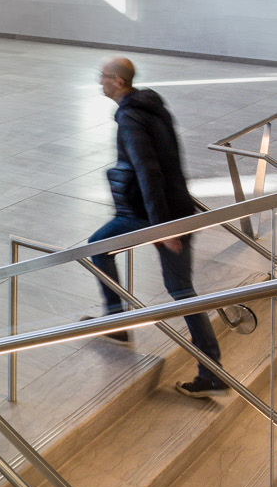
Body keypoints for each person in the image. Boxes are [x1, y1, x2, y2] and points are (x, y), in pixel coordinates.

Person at [86, 56, 226, 398]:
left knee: (176, 290)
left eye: (103, 77)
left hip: (150, 214)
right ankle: (117, 321)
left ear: (118, 82)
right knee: (178, 287)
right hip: (173, 207)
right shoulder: (151, 106)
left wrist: (163, 227)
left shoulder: (131, 117)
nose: (99, 82)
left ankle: (210, 370)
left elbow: (148, 171)